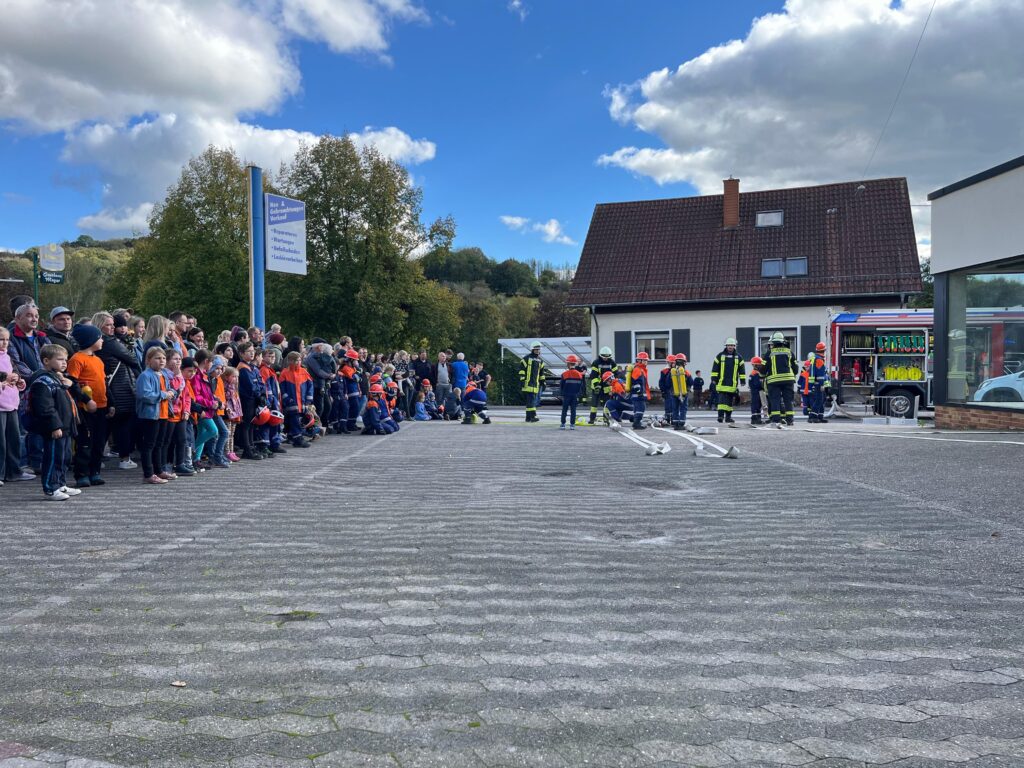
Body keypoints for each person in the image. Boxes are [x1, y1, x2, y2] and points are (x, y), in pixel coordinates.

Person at [27, 344, 82, 500]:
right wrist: (54, 425)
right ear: (46, 360)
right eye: (60, 359)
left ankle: (60, 483)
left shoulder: (57, 378)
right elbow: (45, 407)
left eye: (66, 359)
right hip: (54, 428)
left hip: (65, 426)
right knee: (53, 457)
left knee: (65, 456)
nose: (64, 363)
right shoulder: (42, 381)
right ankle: (50, 488)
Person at [66, 324, 106, 487]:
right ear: (90, 340)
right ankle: (82, 473)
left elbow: (104, 382)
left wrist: (111, 403)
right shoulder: (77, 359)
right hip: (85, 408)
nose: (102, 340)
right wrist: (86, 400)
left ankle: (95, 471)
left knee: (99, 441)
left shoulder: (98, 359)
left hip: (102, 406)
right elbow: (72, 383)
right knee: (85, 442)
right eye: (99, 337)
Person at [136, 346, 175, 484]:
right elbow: (145, 395)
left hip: (163, 414)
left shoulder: (164, 374)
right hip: (150, 415)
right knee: (149, 445)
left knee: (159, 444)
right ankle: (148, 473)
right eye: (158, 358)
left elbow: (170, 388)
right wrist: (165, 394)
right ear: (148, 360)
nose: (162, 361)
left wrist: (172, 392)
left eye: (163, 358)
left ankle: (159, 470)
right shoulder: (145, 376)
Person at [0, 327, 32, 485]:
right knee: (1, 442)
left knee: (13, 440)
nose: (4, 343)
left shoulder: (8, 357)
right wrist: (4, 381)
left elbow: (15, 374)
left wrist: (19, 382)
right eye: (1, 339)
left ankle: (14, 471)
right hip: (0, 405)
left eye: (6, 339)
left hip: (11, 403)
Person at [235, 342, 266, 460]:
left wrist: (262, 395)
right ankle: (247, 449)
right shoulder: (243, 368)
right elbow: (250, 386)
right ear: (242, 354)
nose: (252, 353)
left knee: (252, 424)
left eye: (253, 351)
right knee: (246, 425)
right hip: (247, 400)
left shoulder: (252, 367)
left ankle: (251, 446)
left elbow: (260, 382)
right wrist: (259, 395)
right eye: (249, 351)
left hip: (254, 399)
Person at [764, 331, 798, 428]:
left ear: (773, 343)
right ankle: (790, 420)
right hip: (788, 380)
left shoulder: (769, 353)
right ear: (783, 342)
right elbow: (795, 368)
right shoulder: (789, 352)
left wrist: (762, 375)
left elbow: (763, 368)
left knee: (775, 400)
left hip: (774, 381)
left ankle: (776, 420)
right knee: (788, 400)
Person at [710, 337, 745, 426]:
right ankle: (720, 416)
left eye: (732, 345)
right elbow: (715, 368)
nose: (730, 347)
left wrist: (743, 380)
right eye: (729, 345)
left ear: (735, 346)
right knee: (721, 401)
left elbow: (742, 370)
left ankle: (728, 417)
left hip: (732, 384)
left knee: (729, 402)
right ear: (726, 346)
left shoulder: (739, 357)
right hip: (721, 382)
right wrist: (714, 379)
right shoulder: (720, 356)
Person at [586, 347, 617, 424]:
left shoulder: (612, 363)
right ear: (601, 356)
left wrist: (613, 385)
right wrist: (597, 385)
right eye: (604, 357)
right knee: (594, 405)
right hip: (597, 386)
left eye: (607, 357)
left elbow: (616, 375)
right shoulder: (596, 362)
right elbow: (593, 375)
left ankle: (606, 419)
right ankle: (592, 419)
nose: (606, 359)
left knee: (607, 404)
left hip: (607, 386)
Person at [519, 341, 548, 423]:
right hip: (527, 384)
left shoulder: (540, 361)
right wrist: (522, 380)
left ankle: (528, 417)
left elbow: (541, 373)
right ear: (532, 349)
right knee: (532, 401)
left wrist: (543, 382)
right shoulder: (526, 359)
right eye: (536, 349)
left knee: (530, 401)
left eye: (538, 349)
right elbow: (521, 371)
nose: (537, 351)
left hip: (535, 385)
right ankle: (533, 416)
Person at [666, 353, 692, 430]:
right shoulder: (686, 372)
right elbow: (691, 382)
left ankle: (676, 423)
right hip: (684, 393)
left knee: (675, 408)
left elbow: (667, 383)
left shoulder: (672, 372)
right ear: (684, 363)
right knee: (683, 408)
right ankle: (681, 423)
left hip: (674, 393)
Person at [222, 365, 243, 461]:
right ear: (226, 376)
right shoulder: (225, 386)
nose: (236, 379)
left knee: (232, 433)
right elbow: (225, 397)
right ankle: (226, 452)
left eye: (237, 377)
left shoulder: (235, 387)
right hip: (228, 413)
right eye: (233, 376)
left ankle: (231, 450)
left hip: (234, 413)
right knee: (228, 432)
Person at [559, 354, 585, 430]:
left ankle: (563, 424)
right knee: (573, 410)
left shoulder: (564, 374)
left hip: (566, 395)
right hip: (575, 395)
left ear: (568, 364)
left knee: (564, 409)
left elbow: (562, 386)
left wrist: (562, 394)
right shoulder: (579, 375)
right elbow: (581, 386)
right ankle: (572, 425)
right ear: (575, 363)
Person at [807, 342, 831, 423]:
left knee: (822, 400)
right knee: (819, 400)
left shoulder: (816, 358)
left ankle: (820, 416)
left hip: (817, 384)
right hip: (819, 384)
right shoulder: (819, 360)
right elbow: (820, 375)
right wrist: (821, 385)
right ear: (823, 350)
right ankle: (812, 416)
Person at [748, 356, 765, 425]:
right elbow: (757, 384)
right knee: (756, 405)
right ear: (756, 365)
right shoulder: (756, 373)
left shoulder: (754, 372)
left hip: (754, 391)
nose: (761, 366)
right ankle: (755, 419)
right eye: (760, 365)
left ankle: (757, 418)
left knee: (757, 405)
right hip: (756, 391)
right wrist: (763, 387)